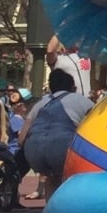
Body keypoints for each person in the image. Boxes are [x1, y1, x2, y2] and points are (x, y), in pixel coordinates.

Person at [19, 69, 94, 201]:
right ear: (72, 87)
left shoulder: (40, 103)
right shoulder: (81, 100)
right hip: (62, 148)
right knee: (74, 176)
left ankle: (50, 211)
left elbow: (21, 139)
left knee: (51, 177)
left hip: (34, 152)